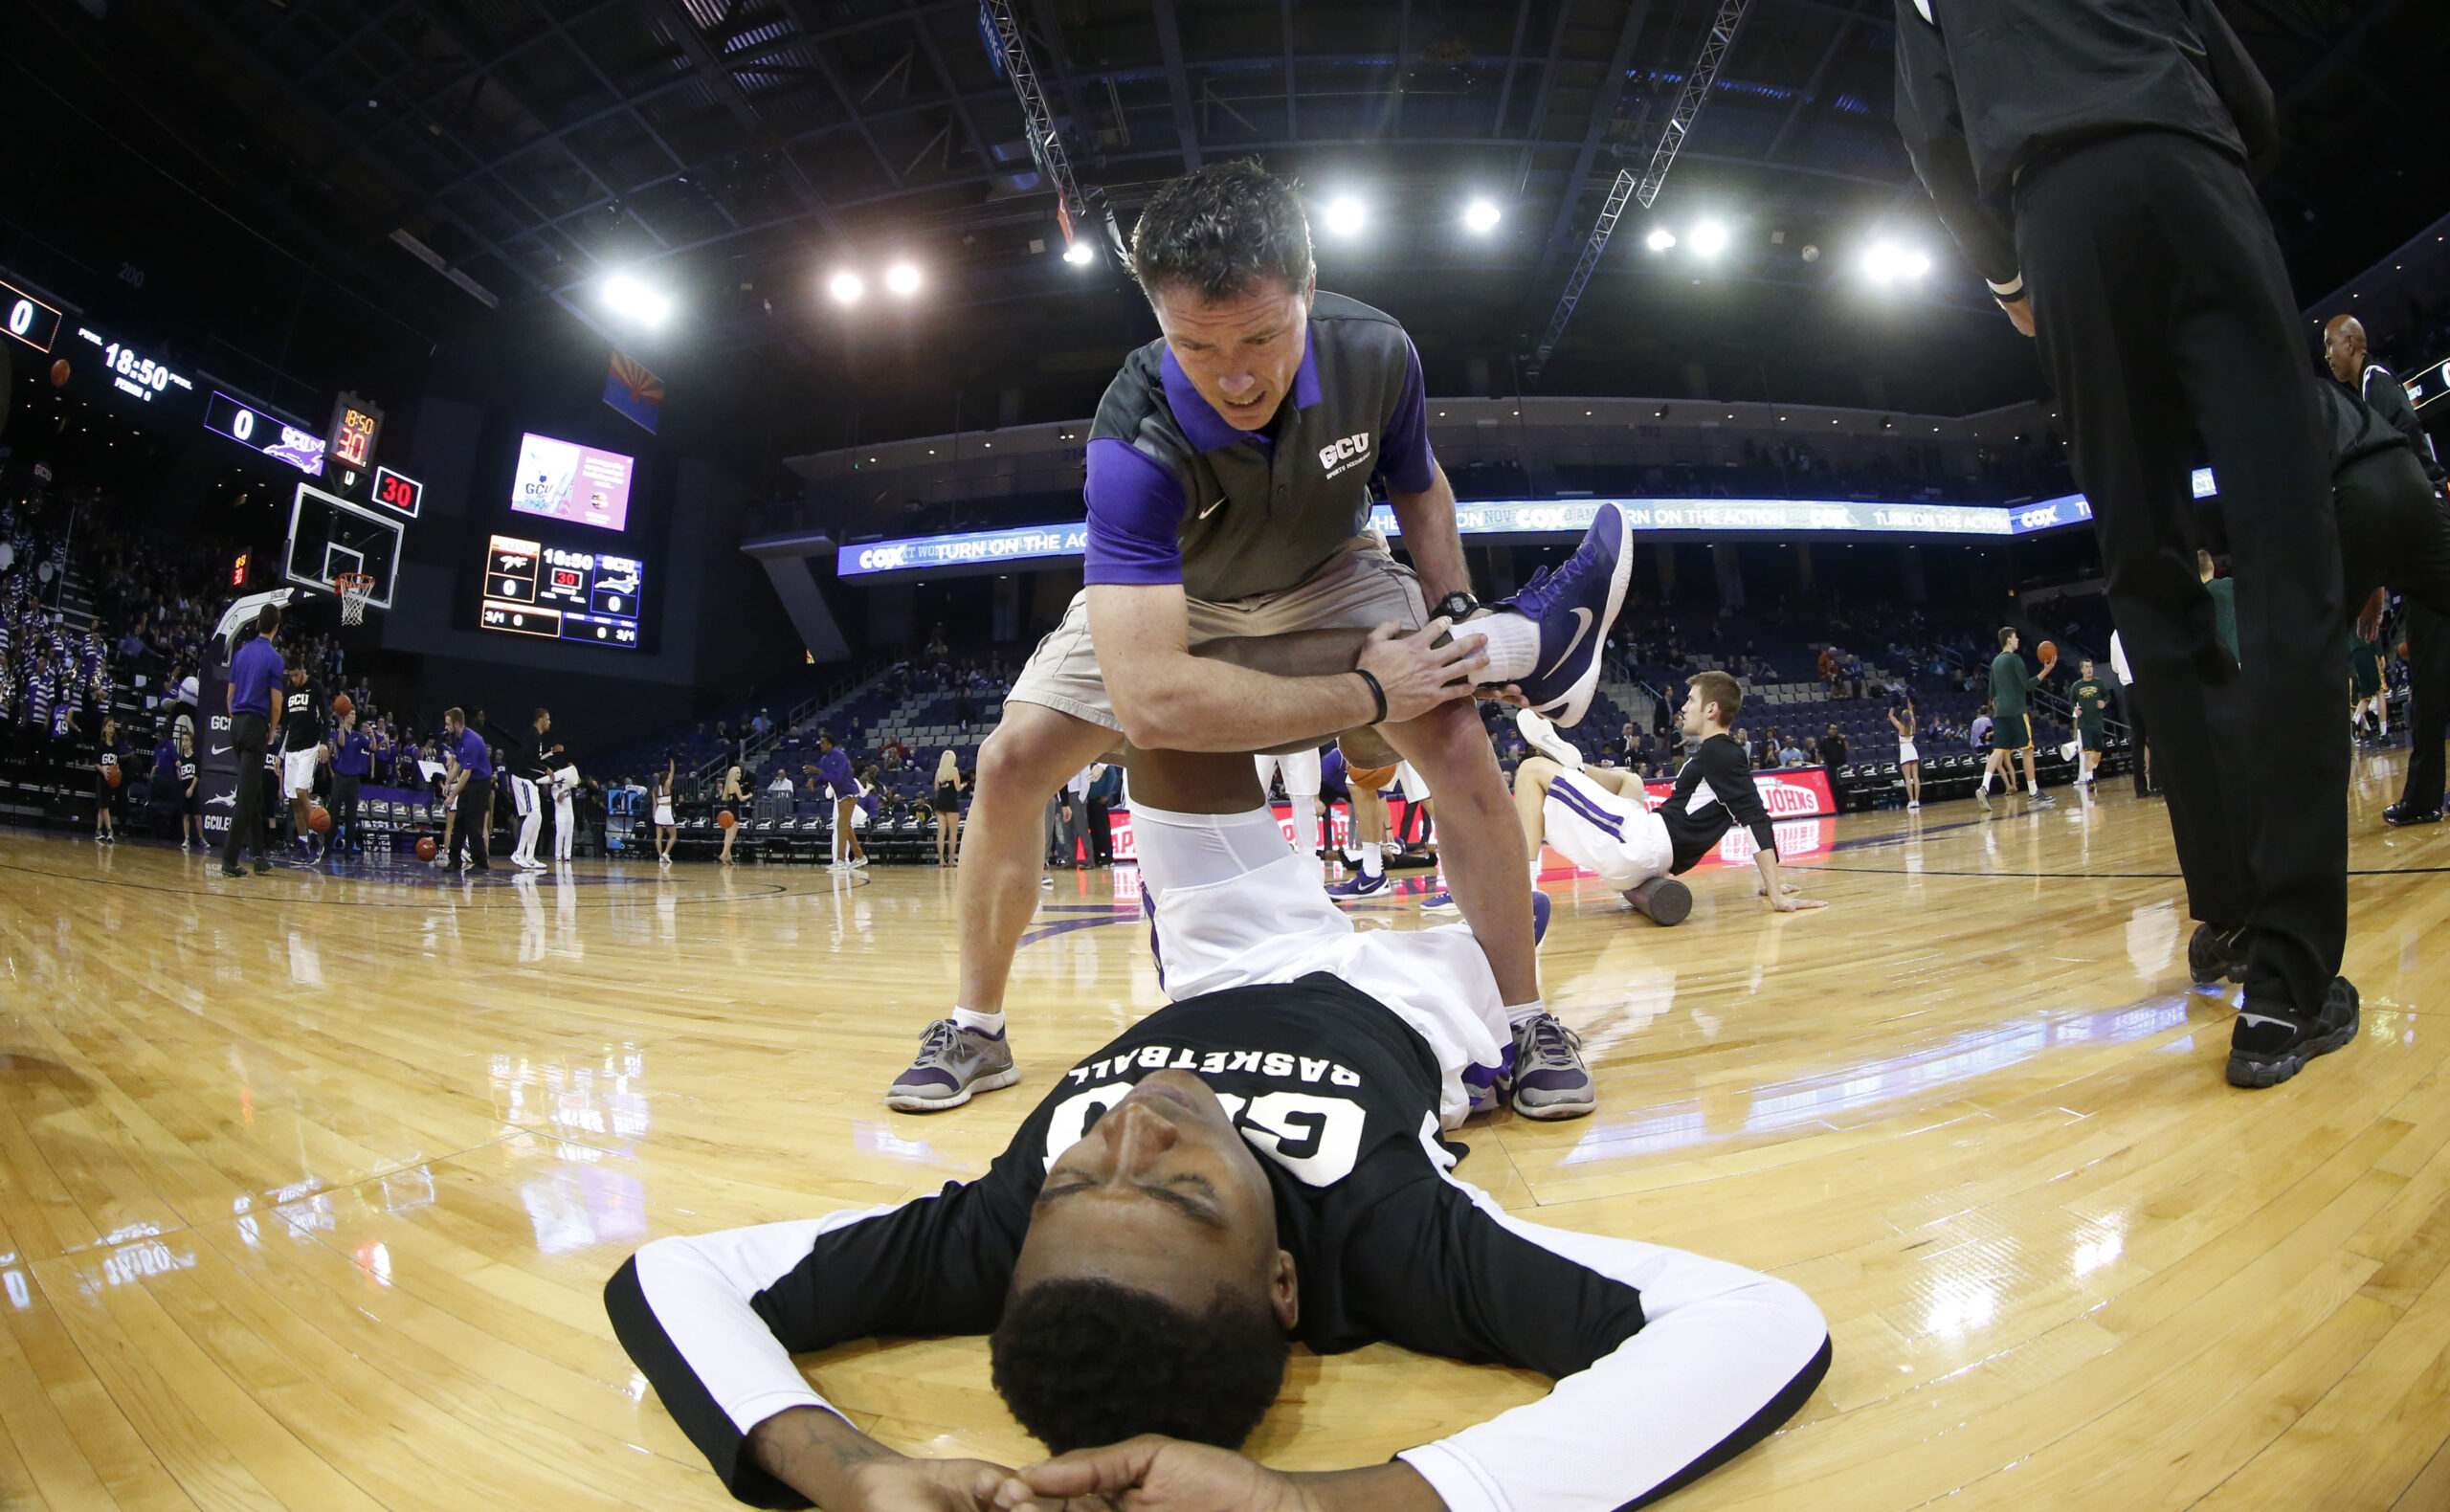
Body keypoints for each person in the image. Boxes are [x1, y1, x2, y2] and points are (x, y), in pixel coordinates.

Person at [606, 742, 1831, 1512]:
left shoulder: (997, 1238)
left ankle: (1354, 688)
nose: (1134, 1130)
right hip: (1423, 994)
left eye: (1076, 1177)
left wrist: (845, 1467)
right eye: (1186, 1190)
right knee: (1500, 856)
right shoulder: (1388, 1242)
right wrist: (1342, 1501)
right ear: (1284, 1279)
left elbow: (673, 1270)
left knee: (1171, 700)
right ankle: (1471, 739)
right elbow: (1757, 1325)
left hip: (1226, 953)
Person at [897, 160, 1633, 1117]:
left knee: (1458, 746)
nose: (1234, 373)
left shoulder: (1378, 353)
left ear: (1309, 291)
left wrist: (1449, 607)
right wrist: (1372, 694)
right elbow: (1152, 702)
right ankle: (977, 1028)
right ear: (1157, 321)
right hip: (1175, 601)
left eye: (1260, 335)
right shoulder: (1133, 442)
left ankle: (1525, 1013)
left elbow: (1417, 483)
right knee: (1009, 762)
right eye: (1195, 345)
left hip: (1332, 570)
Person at [1895, 0, 2355, 1087]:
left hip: (2058, 224)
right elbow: (2248, 94)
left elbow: (1929, 137)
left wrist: (2010, 275)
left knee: (2147, 573)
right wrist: (2201, 159)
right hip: (2187, 169)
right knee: (2288, 555)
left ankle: (2235, 917)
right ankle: (2288, 980)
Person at [1513, 686, 1828, 940]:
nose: (1684, 707)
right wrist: (1771, 879)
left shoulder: (1721, 752)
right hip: (1650, 842)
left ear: (1711, 709)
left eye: (1691, 700)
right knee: (1631, 781)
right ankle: (1577, 767)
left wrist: (1776, 893)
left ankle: (1524, 893)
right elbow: (1750, 811)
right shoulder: (1718, 752)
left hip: (1640, 846)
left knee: (1530, 770)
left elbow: (1755, 818)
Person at [220, 604, 283, 878]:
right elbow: (276, 703)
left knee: (254, 790)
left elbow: (229, 697)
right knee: (246, 797)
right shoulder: (275, 659)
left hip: (237, 724)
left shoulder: (242, 653)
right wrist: (271, 730)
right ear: (276, 628)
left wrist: (236, 720)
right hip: (256, 724)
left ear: (258, 624)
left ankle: (258, 855)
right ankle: (229, 860)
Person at [1974, 629, 2056, 811]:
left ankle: (1984, 786)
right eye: (2015, 637)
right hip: (2017, 710)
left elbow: (1991, 692)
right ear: (2009, 640)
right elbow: (2027, 685)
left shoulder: (1995, 662)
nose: (2018, 639)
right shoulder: (2015, 659)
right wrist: (2046, 671)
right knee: (2028, 750)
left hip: (2001, 713)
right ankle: (2034, 793)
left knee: (1998, 751)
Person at [1325, 733, 1398, 899]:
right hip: (1381, 727)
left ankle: (1467, 875)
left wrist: (1388, 828)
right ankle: (1372, 875)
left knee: (1430, 794)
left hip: (1407, 721)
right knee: (1359, 782)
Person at [278, 658, 331, 862]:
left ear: (303, 670)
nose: (293, 679)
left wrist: (324, 743)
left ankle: (317, 837)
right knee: (293, 801)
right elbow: (286, 725)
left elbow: (326, 719)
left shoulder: (315, 687)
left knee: (301, 792)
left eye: (296, 675)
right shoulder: (289, 691)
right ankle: (303, 845)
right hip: (291, 749)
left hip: (309, 748)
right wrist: (279, 755)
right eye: (290, 676)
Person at [440, 706, 494, 874]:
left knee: (474, 824)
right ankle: (454, 860)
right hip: (470, 782)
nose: (445, 728)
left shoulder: (472, 741)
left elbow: (466, 773)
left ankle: (481, 863)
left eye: (448, 724)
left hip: (480, 783)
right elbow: (458, 763)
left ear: (456, 724)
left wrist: (452, 796)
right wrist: (448, 782)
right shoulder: (457, 738)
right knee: (459, 822)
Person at [508, 708, 559, 871]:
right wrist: (546, 770)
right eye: (548, 719)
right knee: (534, 814)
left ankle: (529, 856)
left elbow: (535, 758)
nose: (550, 722)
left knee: (537, 817)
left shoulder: (536, 737)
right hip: (522, 778)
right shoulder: (533, 736)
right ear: (540, 719)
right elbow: (526, 761)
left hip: (528, 779)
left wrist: (551, 752)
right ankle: (518, 853)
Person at [1254, 745, 1323, 861]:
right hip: (1260, 730)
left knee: (1304, 796)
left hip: (1300, 731)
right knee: (1255, 796)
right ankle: (1255, 856)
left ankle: (1309, 859)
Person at [328, 703, 371, 854]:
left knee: (351, 815)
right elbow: (341, 743)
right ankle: (327, 848)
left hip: (354, 778)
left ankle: (348, 851)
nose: (354, 717)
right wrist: (341, 725)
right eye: (352, 714)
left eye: (355, 714)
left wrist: (372, 736)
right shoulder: (337, 732)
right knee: (333, 813)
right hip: (340, 777)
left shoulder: (359, 736)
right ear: (346, 716)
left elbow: (372, 747)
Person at [817, 734, 863, 870]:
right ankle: (860, 856)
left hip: (850, 794)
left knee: (841, 825)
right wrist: (814, 780)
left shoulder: (840, 756)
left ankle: (841, 860)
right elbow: (824, 778)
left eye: (823, 742)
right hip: (840, 796)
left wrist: (819, 773)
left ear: (830, 744)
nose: (821, 745)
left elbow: (837, 778)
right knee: (846, 827)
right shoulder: (823, 760)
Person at [2068, 658, 2110, 789]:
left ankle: (2092, 769)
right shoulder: (2076, 686)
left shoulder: (2099, 683)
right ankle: (2089, 780)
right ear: (2081, 670)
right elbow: (2071, 702)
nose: (2089, 669)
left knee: (2097, 750)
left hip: (2097, 723)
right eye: (2086, 667)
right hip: (2084, 724)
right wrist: (2074, 709)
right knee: (2087, 751)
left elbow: (2107, 696)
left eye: (2090, 666)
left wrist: (2104, 702)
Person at [91, 714, 126, 843]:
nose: (111, 729)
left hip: (110, 780)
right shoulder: (101, 745)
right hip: (101, 778)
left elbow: (117, 763)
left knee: (103, 806)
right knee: (105, 806)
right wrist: (104, 770)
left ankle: (98, 831)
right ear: (104, 728)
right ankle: (110, 831)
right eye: (109, 726)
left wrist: (117, 772)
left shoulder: (116, 746)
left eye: (113, 726)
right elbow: (95, 762)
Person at [932, 749, 965, 866]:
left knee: (941, 832)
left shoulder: (939, 771)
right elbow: (958, 788)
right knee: (952, 833)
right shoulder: (954, 770)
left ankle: (941, 860)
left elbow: (936, 788)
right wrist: (964, 784)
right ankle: (951, 860)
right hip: (951, 802)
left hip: (940, 802)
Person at [1888, 699, 1923, 811]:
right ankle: (1917, 800)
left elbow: (1890, 716)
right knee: (1916, 777)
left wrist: (1893, 705)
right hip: (1912, 749)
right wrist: (1909, 700)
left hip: (1905, 751)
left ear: (1902, 718)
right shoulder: (1913, 724)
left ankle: (1911, 800)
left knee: (1908, 778)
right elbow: (1911, 711)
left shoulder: (1900, 726)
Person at [174, 727, 203, 851]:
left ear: (191, 742)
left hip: (193, 790)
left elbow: (197, 775)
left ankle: (201, 838)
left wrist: (191, 788)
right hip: (184, 790)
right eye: (182, 740)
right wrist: (178, 770)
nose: (184, 743)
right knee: (185, 815)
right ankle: (186, 838)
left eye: (186, 740)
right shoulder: (181, 760)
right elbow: (180, 775)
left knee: (197, 815)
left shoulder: (195, 758)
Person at [717, 764, 748, 867]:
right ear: (734, 774)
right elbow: (741, 799)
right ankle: (723, 854)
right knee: (732, 835)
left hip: (728, 809)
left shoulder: (729, 783)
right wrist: (749, 795)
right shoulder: (735, 784)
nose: (739, 774)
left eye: (740, 772)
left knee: (727, 835)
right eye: (738, 773)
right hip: (734, 811)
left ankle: (728, 857)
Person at [653, 759, 678, 867]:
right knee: (673, 836)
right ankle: (666, 853)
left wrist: (654, 816)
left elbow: (654, 805)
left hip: (659, 812)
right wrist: (672, 761)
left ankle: (660, 857)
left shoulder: (654, 789)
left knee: (659, 836)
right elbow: (672, 772)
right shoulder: (667, 785)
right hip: (666, 811)